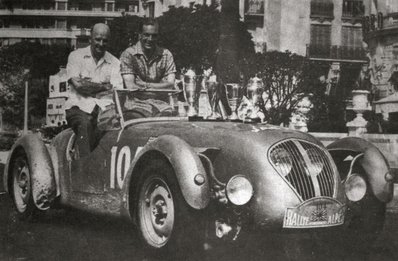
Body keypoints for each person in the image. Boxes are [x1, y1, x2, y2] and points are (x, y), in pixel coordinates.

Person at [65, 23, 123, 157]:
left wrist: (89, 85)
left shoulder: (115, 62)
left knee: (120, 129)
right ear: (90, 39)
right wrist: (104, 86)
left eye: (105, 40)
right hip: (78, 107)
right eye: (98, 39)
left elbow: (116, 92)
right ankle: (86, 169)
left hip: (105, 110)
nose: (101, 43)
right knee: (85, 125)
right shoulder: (76, 56)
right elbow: (79, 86)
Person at [120, 18, 176, 117]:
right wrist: (159, 87)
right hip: (135, 106)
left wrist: (144, 85)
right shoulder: (128, 54)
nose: (150, 39)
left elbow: (170, 85)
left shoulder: (167, 54)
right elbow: (131, 87)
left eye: (154, 36)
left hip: (162, 106)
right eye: (146, 35)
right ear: (140, 35)